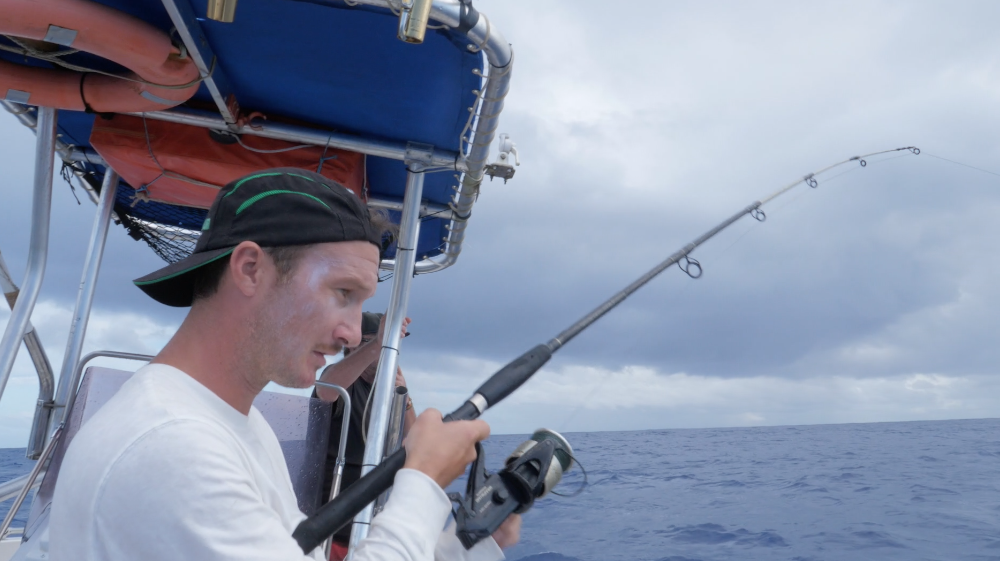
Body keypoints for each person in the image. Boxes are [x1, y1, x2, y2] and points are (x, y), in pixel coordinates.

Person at [48, 168, 518, 561]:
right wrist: (423, 483)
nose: (353, 333)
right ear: (250, 269)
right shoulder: (172, 444)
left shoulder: (235, 425)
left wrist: (468, 543)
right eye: (343, 293)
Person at [314, 312, 414, 559]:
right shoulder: (342, 382)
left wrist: (404, 396)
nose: (390, 348)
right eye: (379, 341)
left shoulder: (389, 391)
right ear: (355, 346)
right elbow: (326, 389)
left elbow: (416, 443)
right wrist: (377, 345)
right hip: (333, 529)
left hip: (376, 527)